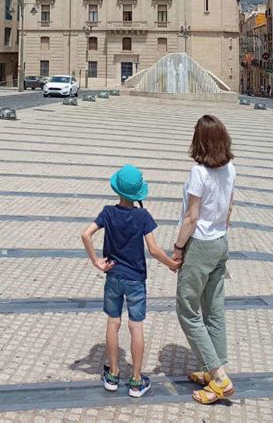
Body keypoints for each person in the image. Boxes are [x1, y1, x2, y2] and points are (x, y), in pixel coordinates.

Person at [82, 163, 180, 398]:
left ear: (117, 190)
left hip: (113, 276)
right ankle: (136, 380)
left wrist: (97, 261)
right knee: (135, 326)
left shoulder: (108, 212)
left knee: (113, 322)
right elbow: (154, 250)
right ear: (138, 193)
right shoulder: (143, 215)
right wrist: (172, 264)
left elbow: (86, 234)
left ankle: (113, 374)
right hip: (135, 279)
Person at [171, 115, 236, 405]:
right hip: (220, 242)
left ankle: (219, 376)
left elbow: (191, 217)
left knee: (187, 310)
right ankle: (215, 370)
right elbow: (229, 208)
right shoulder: (230, 169)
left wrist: (178, 247)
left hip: (200, 245)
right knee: (213, 310)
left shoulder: (199, 172)